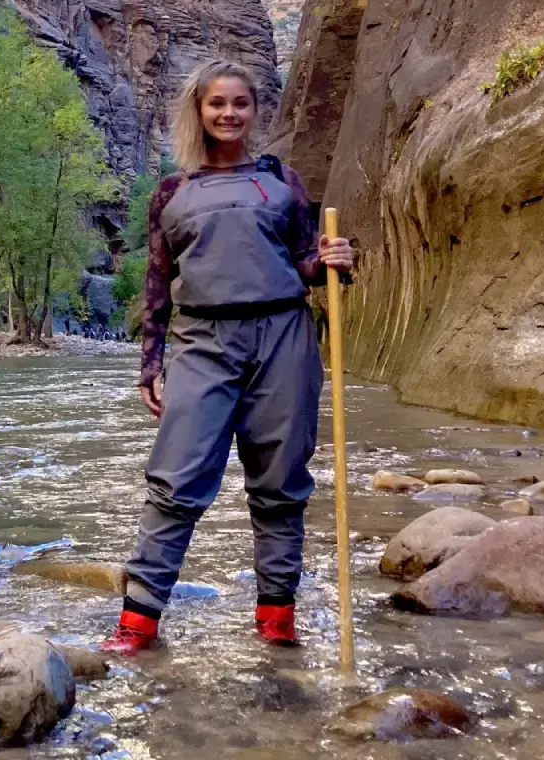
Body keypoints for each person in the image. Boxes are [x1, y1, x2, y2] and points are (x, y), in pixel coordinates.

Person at [104, 60, 355, 654]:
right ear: (199, 110)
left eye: (240, 103)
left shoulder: (282, 184)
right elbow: (158, 283)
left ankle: (277, 620)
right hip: (202, 344)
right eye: (217, 103)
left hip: (283, 340)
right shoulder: (171, 193)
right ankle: (136, 625)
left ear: (253, 111)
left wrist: (338, 259)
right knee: (175, 482)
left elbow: (303, 264)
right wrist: (150, 363)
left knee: (281, 485)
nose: (229, 113)